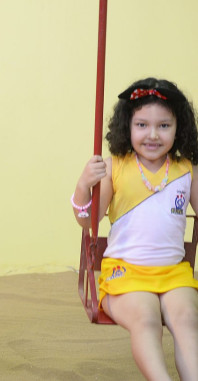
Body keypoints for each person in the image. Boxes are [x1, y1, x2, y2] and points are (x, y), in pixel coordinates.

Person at [72, 77, 198, 380]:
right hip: (125, 273)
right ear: (127, 126)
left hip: (173, 273)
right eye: (142, 125)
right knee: (146, 319)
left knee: (188, 320)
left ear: (178, 128)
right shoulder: (114, 166)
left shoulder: (187, 169)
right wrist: (84, 185)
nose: (152, 135)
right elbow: (88, 221)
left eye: (164, 126)